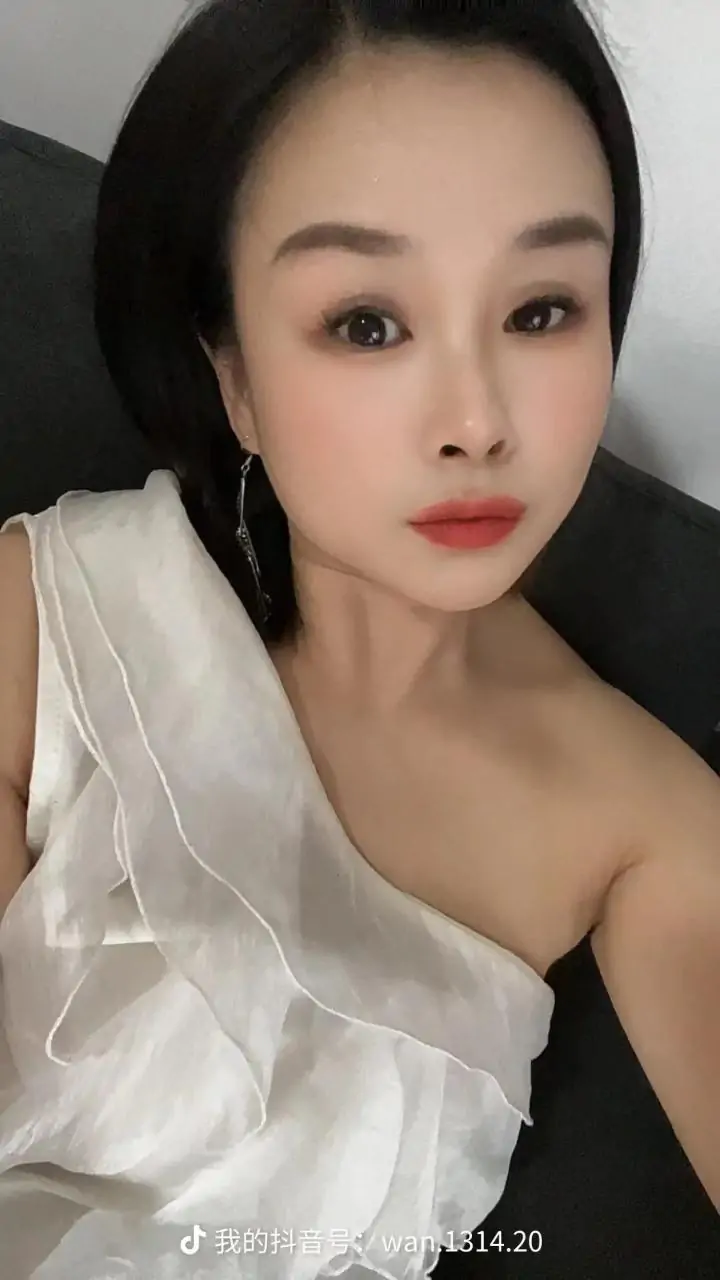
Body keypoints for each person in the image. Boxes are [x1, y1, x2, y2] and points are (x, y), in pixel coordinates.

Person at [0, 0, 718, 1276]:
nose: (476, 420)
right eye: (367, 323)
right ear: (232, 374)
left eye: (542, 309)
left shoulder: (648, 818)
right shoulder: (50, 620)